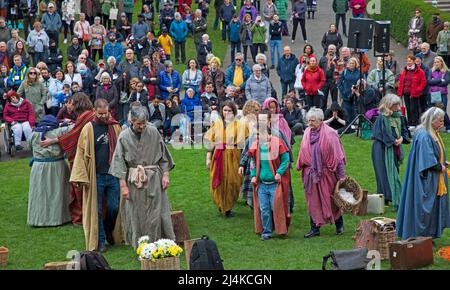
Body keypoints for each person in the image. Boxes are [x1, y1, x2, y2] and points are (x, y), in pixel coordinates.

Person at [109, 105, 175, 249]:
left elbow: (164, 157)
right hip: (134, 180)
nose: (142, 126)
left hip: (153, 178)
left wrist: (165, 175)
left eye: (144, 123)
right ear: (132, 121)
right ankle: (141, 245)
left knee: (157, 211)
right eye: (139, 124)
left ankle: (161, 243)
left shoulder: (153, 132)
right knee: (136, 213)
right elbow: (119, 162)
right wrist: (123, 186)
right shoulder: (124, 136)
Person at [70, 98, 122, 252]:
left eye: (106, 113)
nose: (104, 117)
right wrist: (80, 176)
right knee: (96, 210)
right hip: (96, 176)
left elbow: (122, 149)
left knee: (114, 207)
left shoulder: (115, 127)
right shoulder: (88, 128)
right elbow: (81, 152)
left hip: (113, 174)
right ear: (94, 111)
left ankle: (108, 230)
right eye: (101, 114)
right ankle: (99, 242)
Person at [397, 107, 450, 240]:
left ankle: (427, 237)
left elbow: (433, 153)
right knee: (424, 208)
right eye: (440, 121)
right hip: (426, 179)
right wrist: (440, 167)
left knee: (429, 209)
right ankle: (421, 237)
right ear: (432, 121)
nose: (442, 124)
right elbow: (429, 161)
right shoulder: (425, 136)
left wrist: (443, 161)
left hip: (430, 177)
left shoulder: (429, 132)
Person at [296, 107, 346, 238]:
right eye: (309, 121)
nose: (310, 123)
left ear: (321, 120)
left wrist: (341, 176)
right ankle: (314, 228)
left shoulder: (331, 134)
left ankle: (339, 224)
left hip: (327, 174)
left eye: (313, 121)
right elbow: (303, 151)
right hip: (310, 174)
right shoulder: (307, 132)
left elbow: (338, 157)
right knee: (312, 201)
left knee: (331, 200)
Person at [248, 111, 291, 240]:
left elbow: (286, 159)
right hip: (261, 185)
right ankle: (266, 231)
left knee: (277, 207)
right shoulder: (255, 145)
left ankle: (281, 229)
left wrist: (279, 172)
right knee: (264, 209)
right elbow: (252, 163)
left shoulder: (277, 142)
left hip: (274, 184)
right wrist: (253, 175)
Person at [28, 115, 71, 227]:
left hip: (39, 167)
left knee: (40, 193)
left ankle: (39, 219)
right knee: (57, 192)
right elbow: (76, 128)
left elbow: (30, 147)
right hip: (57, 166)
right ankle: (58, 218)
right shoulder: (60, 131)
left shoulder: (34, 134)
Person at [205, 100, 243, 216]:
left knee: (233, 181)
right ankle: (221, 204)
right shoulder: (217, 124)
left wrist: (243, 162)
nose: (227, 112)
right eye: (225, 110)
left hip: (233, 156)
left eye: (229, 110)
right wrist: (208, 158)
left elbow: (243, 145)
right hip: (219, 155)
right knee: (218, 180)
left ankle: (228, 205)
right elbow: (210, 143)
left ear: (234, 111)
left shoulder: (239, 125)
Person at [372, 94, 410, 208]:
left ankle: (394, 195)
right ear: (389, 105)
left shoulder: (400, 117)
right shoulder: (382, 118)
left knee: (394, 171)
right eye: (395, 105)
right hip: (381, 148)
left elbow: (405, 132)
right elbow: (380, 134)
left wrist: (402, 139)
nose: (398, 107)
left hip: (394, 148)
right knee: (382, 173)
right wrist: (393, 141)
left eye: (398, 104)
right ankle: (385, 197)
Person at [397, 55, 427, 127]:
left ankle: (415, 123)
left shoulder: (419, 71)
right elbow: (401, 81)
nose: (408, 62)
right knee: (408, 108)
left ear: (414, 61)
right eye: (407, 61)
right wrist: (400, 92)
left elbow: (423, 82)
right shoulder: (405, 70)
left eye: (410, 61)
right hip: (405, 92)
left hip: (414, 93)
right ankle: (410, 123)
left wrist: (418, 90)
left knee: (414, 108)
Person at [428, 56, 450, 131]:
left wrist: (434, 81)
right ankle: (433, 126)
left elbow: (446, 82)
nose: (436, 63)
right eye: (435, 62)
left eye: (437, 62)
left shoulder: (446, 72)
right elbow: (429, 82)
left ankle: (448, 126)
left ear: (441, 62)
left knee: (442, 110)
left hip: (442, 93)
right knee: (433, 110)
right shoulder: (431, 71)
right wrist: (440, 80)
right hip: (433, 93)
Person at [337, 57, 360, 124]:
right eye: (350, 63)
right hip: (346, 94)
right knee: (346, 110)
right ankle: (348, 125)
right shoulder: (345, 71)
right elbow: (339, 82)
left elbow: (362, 82)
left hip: (355, 94)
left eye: (353, 63)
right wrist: (342, 90)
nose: (351, 64)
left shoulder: (359, 72)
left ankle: (353, 124)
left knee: (354, 110)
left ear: (355, 64)